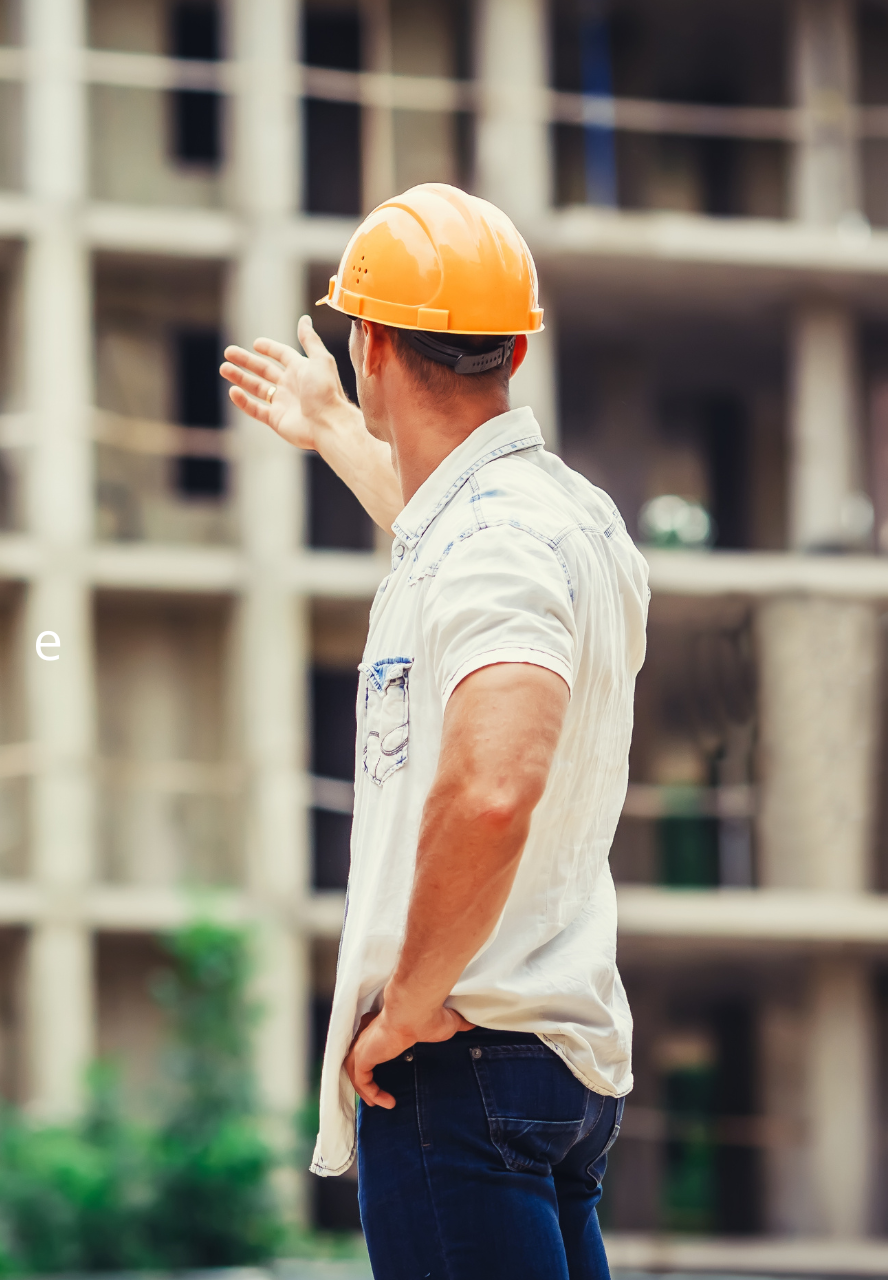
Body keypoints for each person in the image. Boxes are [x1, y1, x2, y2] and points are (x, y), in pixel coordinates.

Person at [222, 183, 647, 1279]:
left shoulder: (495, 543)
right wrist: (325, 426)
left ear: (368, 346)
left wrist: (404, 1007)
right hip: (557, 1069)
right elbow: (444, 534)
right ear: (513, 345)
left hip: (459, 1068)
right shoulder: (566, 519)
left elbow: (494, 787)